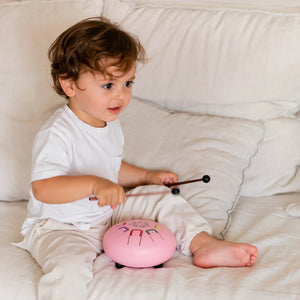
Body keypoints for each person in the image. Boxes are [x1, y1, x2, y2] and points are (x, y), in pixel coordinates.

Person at [16, 17, 258, 300]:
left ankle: (203, 243)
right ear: (69, 85)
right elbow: (43, 188)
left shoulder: (108, 122)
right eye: (108, 85)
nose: (121, 95)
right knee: (69, 268)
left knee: (159, 196)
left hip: (105, 214)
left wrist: (146, 176)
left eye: (127, 83)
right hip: (61, 227)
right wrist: (96, 185)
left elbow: (110, 166)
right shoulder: (58, 132)